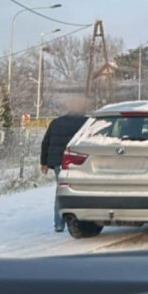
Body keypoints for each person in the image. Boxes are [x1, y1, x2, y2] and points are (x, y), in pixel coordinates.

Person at [40, 96, 89, 232]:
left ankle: (59, 223)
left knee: (61, 191)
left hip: (58, 163)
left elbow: (46, 142)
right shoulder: (86, 123)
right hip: (79, 162)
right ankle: (77, 219)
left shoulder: (56, 123)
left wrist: (44, 162)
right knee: (79, 191)